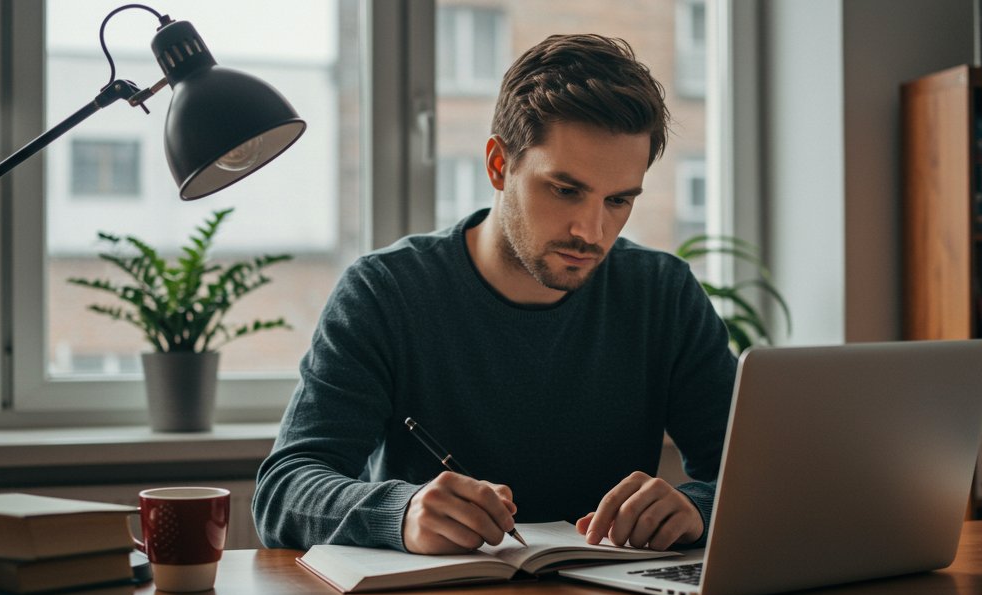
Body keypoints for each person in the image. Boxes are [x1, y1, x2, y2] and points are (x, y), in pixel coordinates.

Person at [253, 34, 738, 555]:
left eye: (618, 200)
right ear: (499, 165)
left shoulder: (662, 295)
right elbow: (284, 490)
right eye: (565, 190)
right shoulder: (386, 291)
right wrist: (402, 512)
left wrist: (697, 508)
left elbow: (760, 475)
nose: (592, 231)